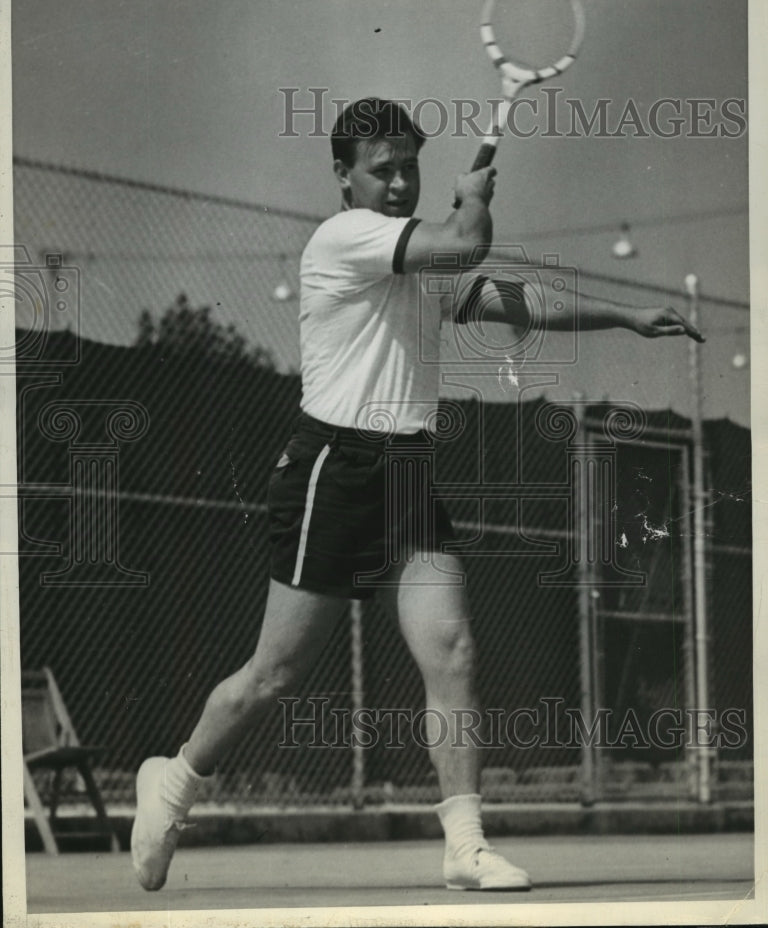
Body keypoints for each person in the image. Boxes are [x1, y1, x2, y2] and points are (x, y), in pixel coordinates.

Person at [131, 97, 704, 893]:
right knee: (275, 675)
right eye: (382, 170)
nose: (399, 183)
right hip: (335, 466)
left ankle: (465, 845)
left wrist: (625, 315)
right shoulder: (344, 238)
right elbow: (467, 239)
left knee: (453, 649)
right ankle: (173, 783)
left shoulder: (420, 261)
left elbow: (512, 298)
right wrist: (473, 198)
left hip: (406, 469)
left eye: (410, 169)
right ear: (343, 178)